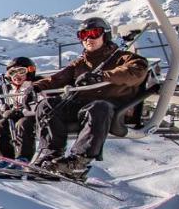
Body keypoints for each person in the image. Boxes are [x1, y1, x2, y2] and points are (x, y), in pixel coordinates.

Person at [31, 17, 149, 176]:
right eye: (83, 35)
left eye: (94, 33)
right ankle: (51, 154)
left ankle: (79, 162)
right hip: (81, 106)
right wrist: (35, 87)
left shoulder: (124, 58)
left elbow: (136, 72)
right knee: (48, 105)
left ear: (105, 35)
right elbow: (57, 79)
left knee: (98, 107)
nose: (88, 39)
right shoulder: (80, 63)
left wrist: (102, 76)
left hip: (111, 107)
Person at [0, 57, 39, 166]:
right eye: (12, 72)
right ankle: (3, 158)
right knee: (1, 124)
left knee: (22, 123)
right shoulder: (11, 90)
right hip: (17, 118)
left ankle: (23, 158)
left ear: (30, 71)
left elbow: (39, 106)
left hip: (33, 118)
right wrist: (5, 110)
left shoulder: (34, 86)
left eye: (21, 71)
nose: (16, 76)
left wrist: (19, 112)